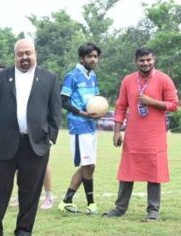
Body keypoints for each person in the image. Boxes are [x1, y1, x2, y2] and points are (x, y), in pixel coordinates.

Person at [0, 39, 61, 236]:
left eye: (28, 53)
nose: (24, 57)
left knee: (30, 190)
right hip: (4, 142)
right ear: (14, 55)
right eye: (20, 54)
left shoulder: (49, 78)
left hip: (36, 144)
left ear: (35, 53)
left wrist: (51, 137)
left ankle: (24, 231)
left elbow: (55, 111)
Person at [103, 47, 179, 221]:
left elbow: (174, 105)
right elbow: (121, 106)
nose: (146, 63)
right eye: (142, 60)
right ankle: (120, 208)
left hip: (154, 137)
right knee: (127, 172)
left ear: (154, 60)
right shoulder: (128, 80)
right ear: (136, 62)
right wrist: (117, 131)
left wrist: (151, 102)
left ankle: (153, 210)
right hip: (133, 136)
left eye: (148, 60)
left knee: (154, 173)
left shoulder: (164, 79)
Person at [58, 43, 103, 215]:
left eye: (95, 56)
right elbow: (63, 100)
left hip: (91, 126)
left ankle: (66, 201)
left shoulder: (93, 76)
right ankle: (91, 204)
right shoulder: (72, 76)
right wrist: (82, 113)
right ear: (81, 58)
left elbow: (95, 99)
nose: (93, 59)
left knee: (89, 165)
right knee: (88, 165)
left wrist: (101, 107)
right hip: (78, 125)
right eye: (90, 56)